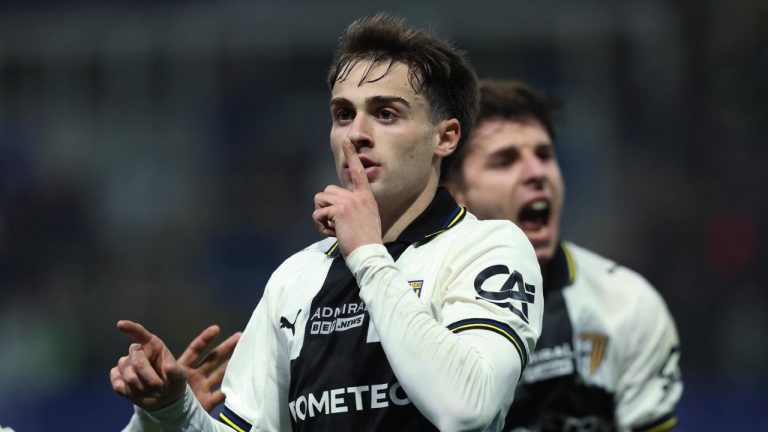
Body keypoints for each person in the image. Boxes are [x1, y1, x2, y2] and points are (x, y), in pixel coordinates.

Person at [111, 14, 543, 432]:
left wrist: (368, 255)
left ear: (445, 137)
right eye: (343, 114)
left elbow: (467, 409)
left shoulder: (488, 249)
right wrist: (169, 413)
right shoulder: (295, 279)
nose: (356, 133)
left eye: (386, 114)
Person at [446, 80, 683, 431]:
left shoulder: (628, 305)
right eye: (505, 161)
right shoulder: (416, 306)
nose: (536, 173)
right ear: (455, 195)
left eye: (544, 155)